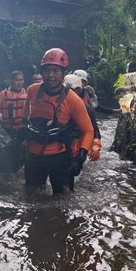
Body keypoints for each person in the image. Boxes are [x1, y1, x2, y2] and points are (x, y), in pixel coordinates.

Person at [23, 48, 94, 194]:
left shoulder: (73, 100)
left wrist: (80, 157)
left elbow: (88, 131)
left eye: (55, 71)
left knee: (63, 201)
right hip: (34, 156)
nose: (50, 75)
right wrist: (22, 134)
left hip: (60, 157)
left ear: (63, 73)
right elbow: (25, 116)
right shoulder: (32, 91)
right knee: (31, 197)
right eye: (47, 70)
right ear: (41, 72)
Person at [64, 74, 102, 190]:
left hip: (79, 145)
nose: (73, 93)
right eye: (70, 90)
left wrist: (95, 146)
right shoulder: (57, 105)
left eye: (77, 90)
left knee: (74, 170)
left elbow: (95, 130)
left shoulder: (86, 108)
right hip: (61, 146)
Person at [0, 70, 28, 140]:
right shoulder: (3, 94)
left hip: (23, 129)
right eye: (16, 80)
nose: (19, 83)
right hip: (7, 130)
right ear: (11, 81)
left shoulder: (28, 94)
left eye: (21, 80)